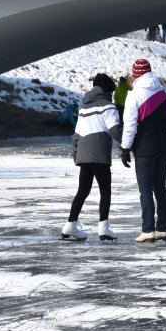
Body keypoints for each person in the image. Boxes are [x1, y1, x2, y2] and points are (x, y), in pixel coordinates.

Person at [60, 73, 122, 242]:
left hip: (83, 154)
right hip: (99, 153)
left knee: (83, 190)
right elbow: (115, 130)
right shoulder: (107, 106)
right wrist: (130, 143)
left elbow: (76, 135)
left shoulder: (84, 108)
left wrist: (76, 155)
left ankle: (70, 225)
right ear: (108, 90)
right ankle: (104, 228)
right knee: (105, 190)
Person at [120, 59, 166, 244]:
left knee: (145, 190)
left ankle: (148, 230)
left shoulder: (134, 95)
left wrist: (125, 148)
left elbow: (130, 125)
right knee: (160, 188)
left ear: (136, 74)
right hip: (164, 146)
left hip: (144, 148)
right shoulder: (162, 92)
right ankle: (163, 229)